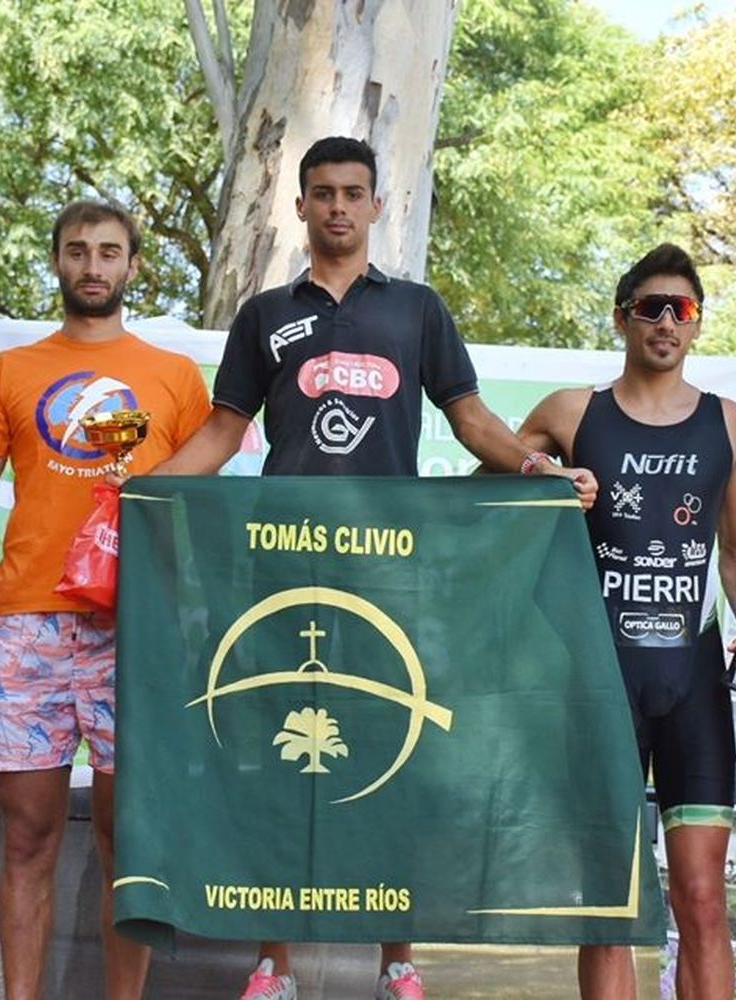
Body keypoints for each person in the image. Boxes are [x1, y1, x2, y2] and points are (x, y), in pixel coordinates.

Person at [154, 135, 598, 1000]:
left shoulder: (418, 310)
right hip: (281, 563)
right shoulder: (263, 314)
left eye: (354, 193)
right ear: (300, 206)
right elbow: (221, 432)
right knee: (283, 761)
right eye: (322, 193)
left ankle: (398, 960)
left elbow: (469, 420)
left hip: (392, 561)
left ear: (377, 205)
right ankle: (273, 966)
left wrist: (540, 471)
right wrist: (142, 491)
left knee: (398, 749)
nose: (337, 208)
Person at [0, 199, 211, 1000]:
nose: (92, 266)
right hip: (29, 624)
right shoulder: (11, 372)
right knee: (27, 840)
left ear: (132, 267)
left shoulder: (176, 378)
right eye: (76, 251)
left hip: (135, 629)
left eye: (108, 252)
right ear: (56, 262)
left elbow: (198, 508)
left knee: (128, 844)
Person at [513, 243, 736, 1000]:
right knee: (608, 909)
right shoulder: (571, 412)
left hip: (693, 685)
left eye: (679, 310)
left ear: (697, 325)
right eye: (648, 307)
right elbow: (481, 492)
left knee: (704, 901)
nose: (664, 321)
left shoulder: (732, 425)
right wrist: (548, 476)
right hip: (599, 686)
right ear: (622, 319)